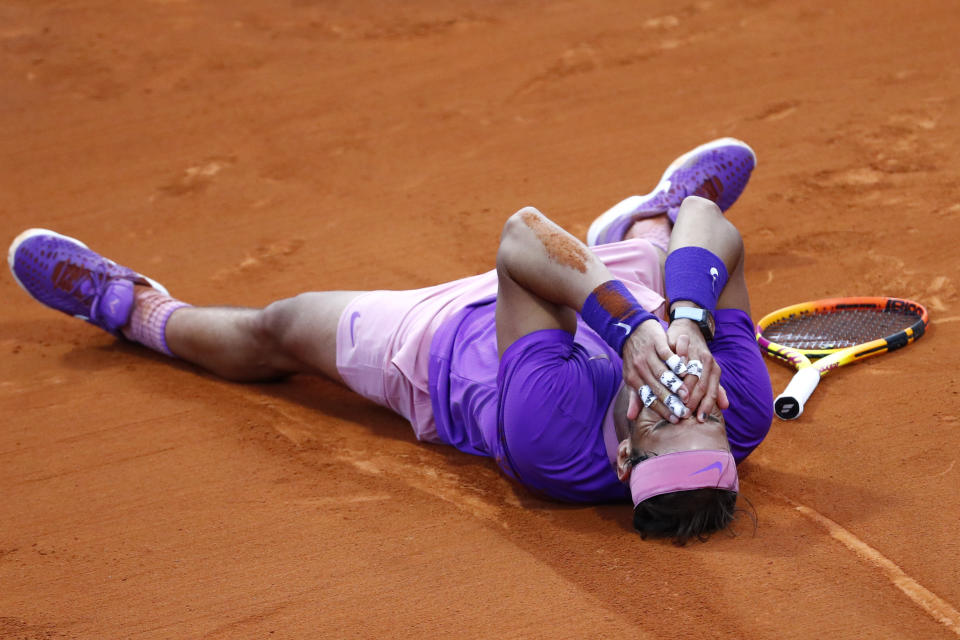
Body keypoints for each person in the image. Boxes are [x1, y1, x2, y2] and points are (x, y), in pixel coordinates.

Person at [7, 138, 773, 544]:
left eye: (663, 422)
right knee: (679, 235)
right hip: (617, 299)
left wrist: (631, 326)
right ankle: (646, 215)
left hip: (453, 340)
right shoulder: (740, 409)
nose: (684, 398)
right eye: (699, 415)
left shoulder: (551, 436)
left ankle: (130, 307)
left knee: (282, 325)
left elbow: (524, 241)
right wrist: (676, 321)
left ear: (622, 457)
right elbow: (717, 227)